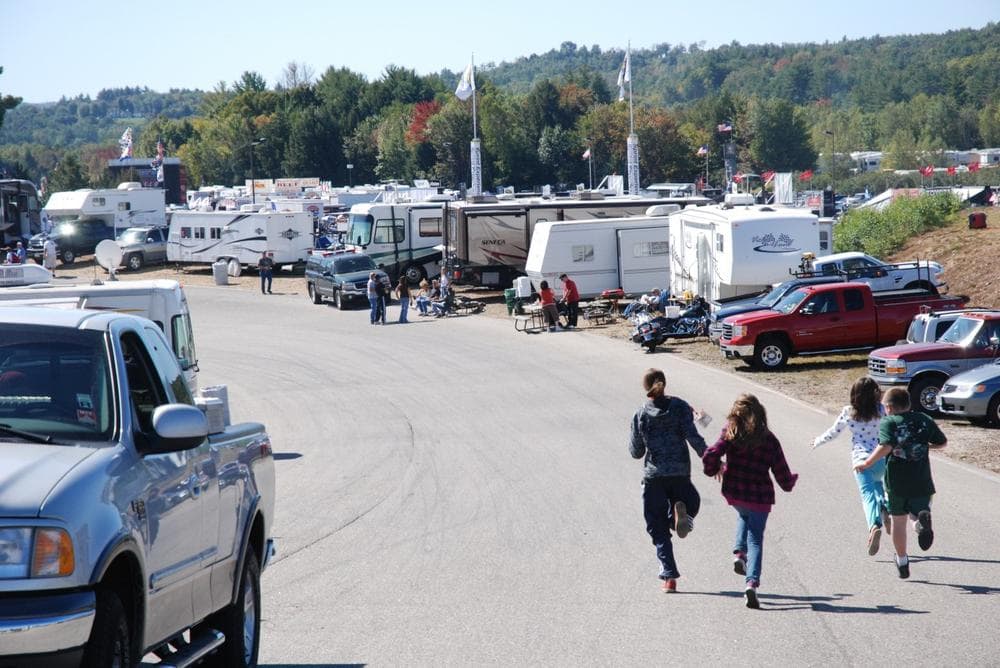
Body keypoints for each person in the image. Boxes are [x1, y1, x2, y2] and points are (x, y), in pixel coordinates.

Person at [702, 394, 798, 609]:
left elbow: (711, 455)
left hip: (735, 491)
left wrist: (714, 468)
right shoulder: (769, 439)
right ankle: (751, 584)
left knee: (743, 514)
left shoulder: (731, 432)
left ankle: (738, 553)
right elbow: (781, 471)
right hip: (760, 495)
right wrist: (789, 483)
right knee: (755, 539)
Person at [628, 368, 708, 593]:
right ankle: (679, 518)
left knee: (656, 527)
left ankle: (669, 577)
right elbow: (695, 436)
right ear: (665, 383)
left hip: (654, 476)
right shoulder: (680, 406)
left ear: (646, 388)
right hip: (680, 472)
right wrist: (712, 460)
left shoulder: (641, 414)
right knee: (691, 502)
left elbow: (636, 452)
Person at [854, 387, 947, 580]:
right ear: (909, 404)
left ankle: (903, 560)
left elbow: (886, 446)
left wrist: (867, 463)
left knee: (898, 521)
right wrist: (924, 446)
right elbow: (942, 442)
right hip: (922, 480)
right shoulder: (924, 419)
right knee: (916, 513)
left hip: (897, 481)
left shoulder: (889, 422)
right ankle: (920, 526)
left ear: (888, 407)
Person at [813, 377, 890, 556]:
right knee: (878, 485)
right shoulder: (882, 410)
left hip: (861, 461)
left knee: (867, 495)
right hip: (881, 458)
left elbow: (833, 432)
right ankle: (886, 507)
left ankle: (874, 525)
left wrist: (817, 441)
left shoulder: (849, 412)